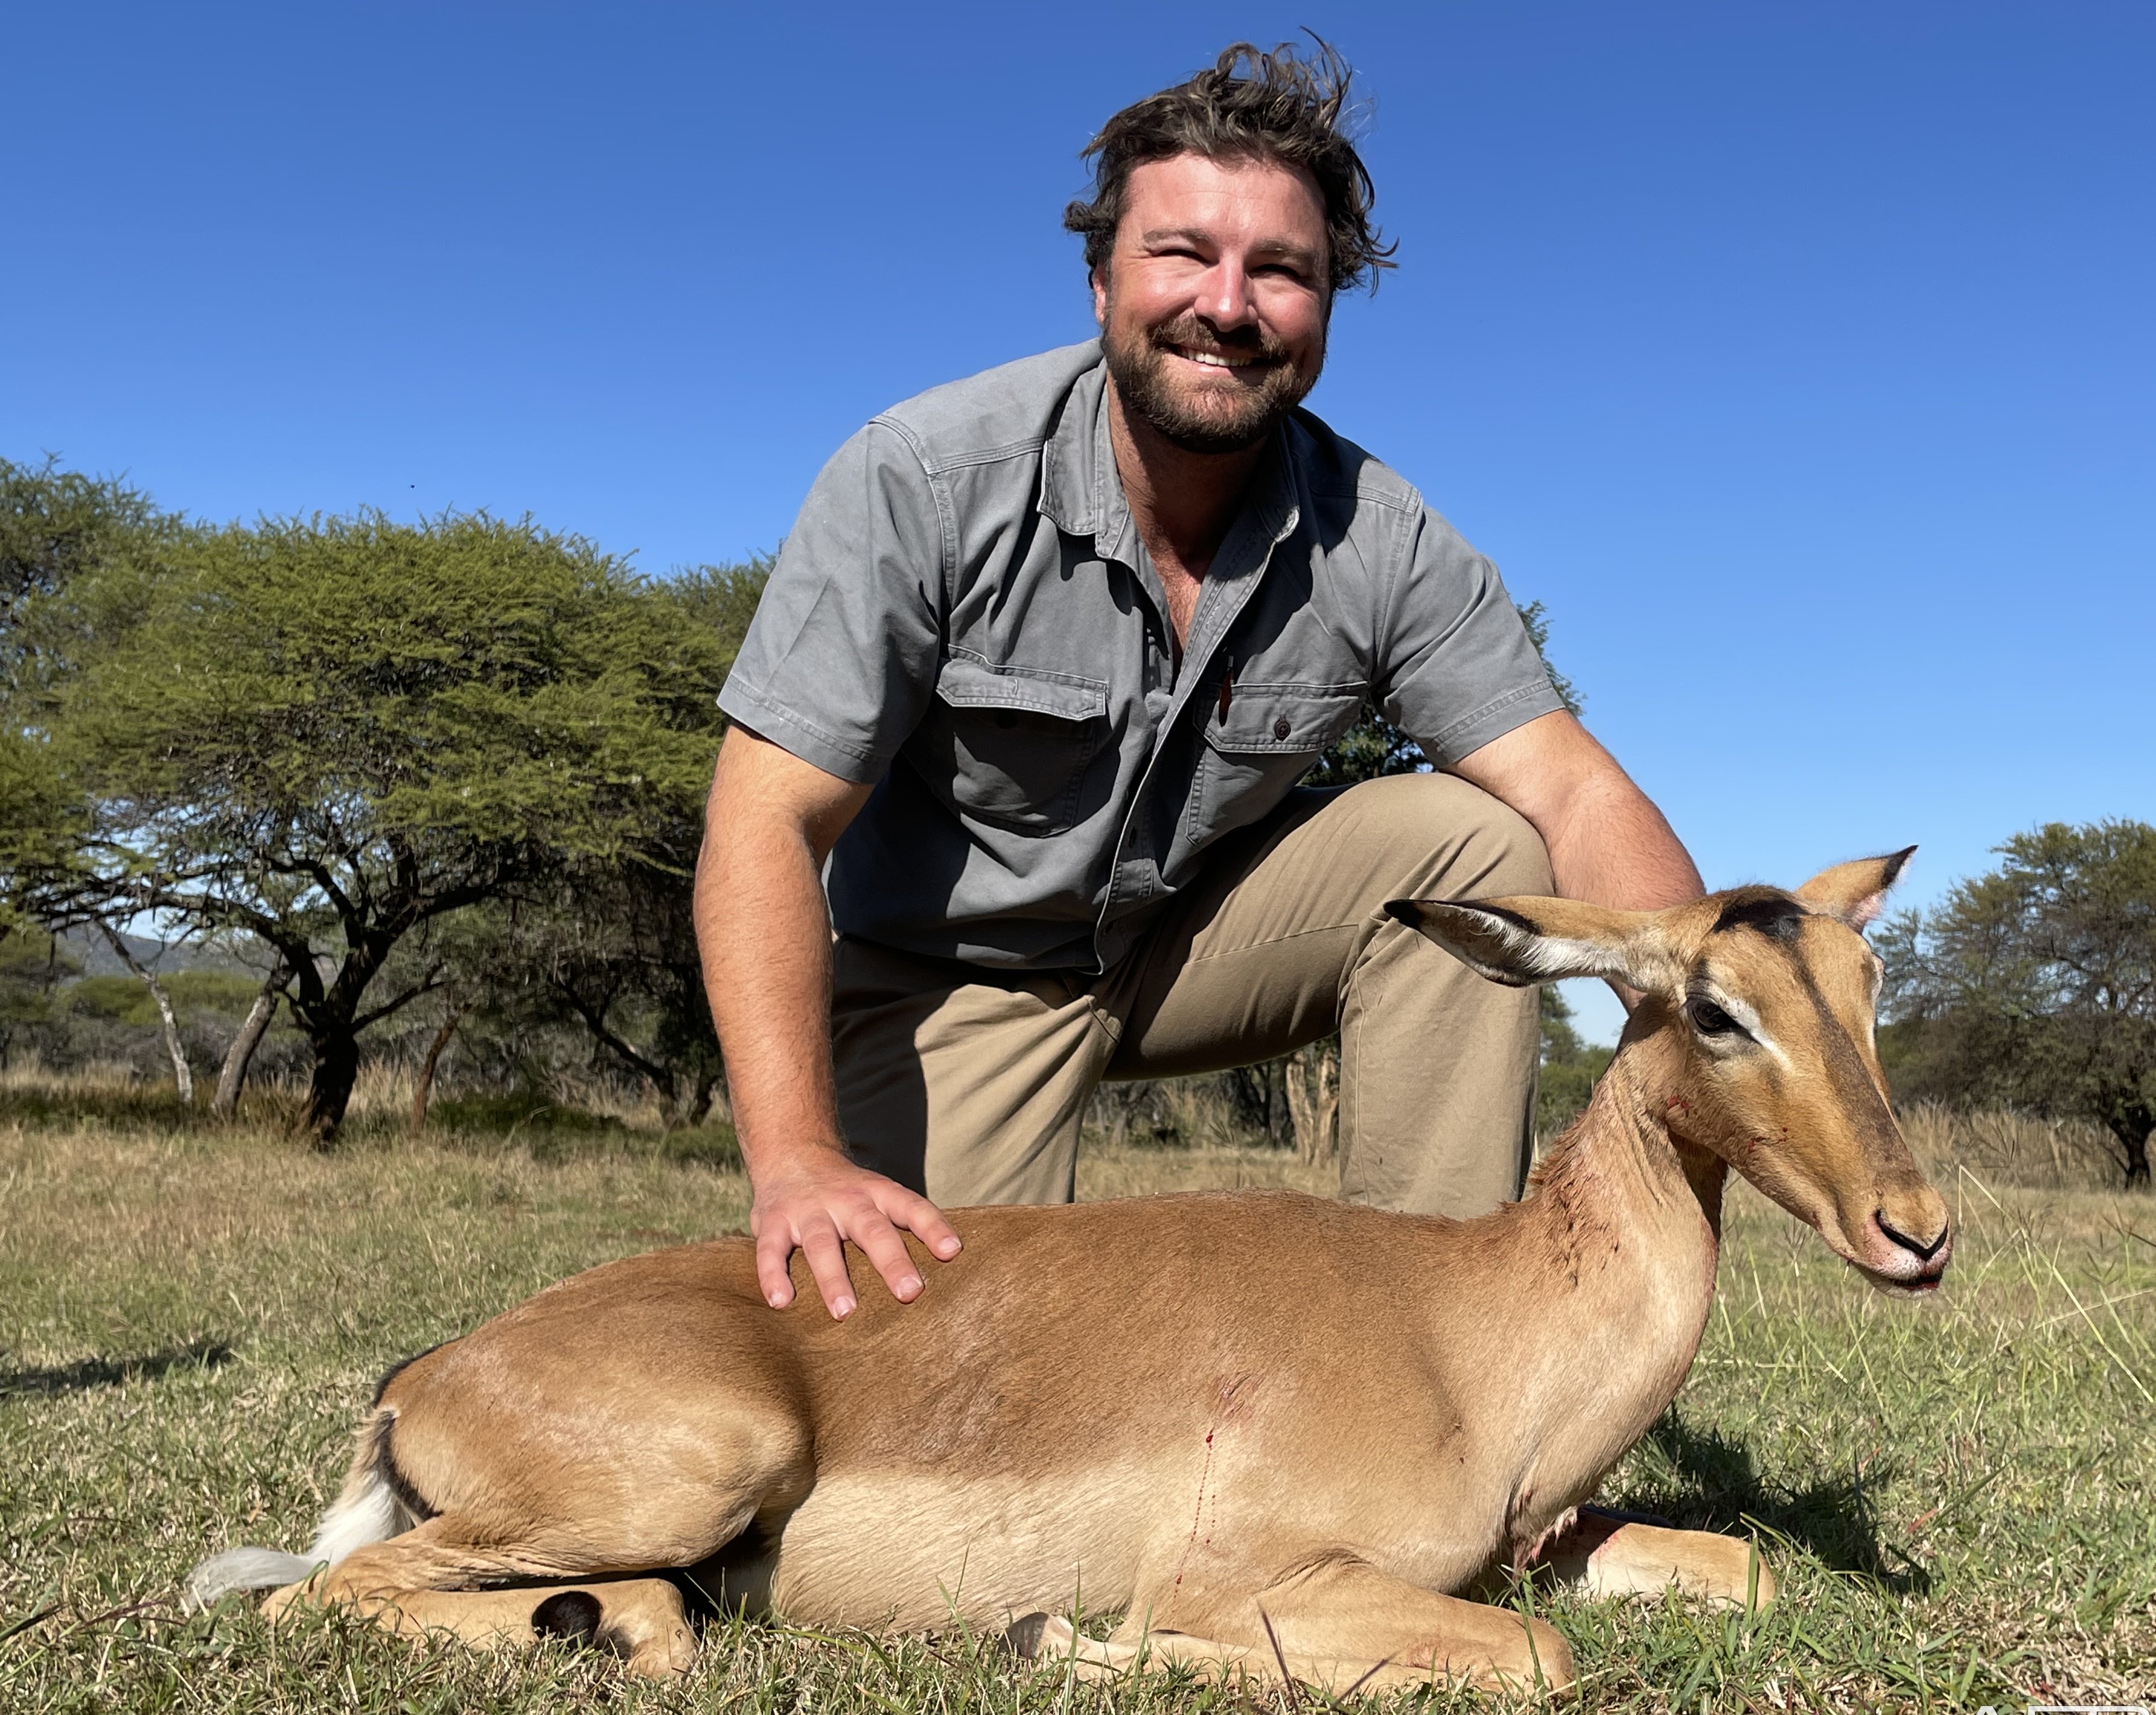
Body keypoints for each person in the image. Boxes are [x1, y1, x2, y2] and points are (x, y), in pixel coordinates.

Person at [697, 40, 1702, 1320]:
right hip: (953, 988)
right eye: (1182, 253)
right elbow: (763, 819)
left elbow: (1573, 789)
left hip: (1188, 951)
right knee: (947, 1365)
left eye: (1281, 270)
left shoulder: (1383, 536)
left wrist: (1697, 1022)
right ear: (1101, 275)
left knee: (1471, 836)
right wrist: (795, 1162)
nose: (1227, 305)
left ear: (1328, 305)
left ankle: (1428, 1362)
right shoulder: (922, 479)